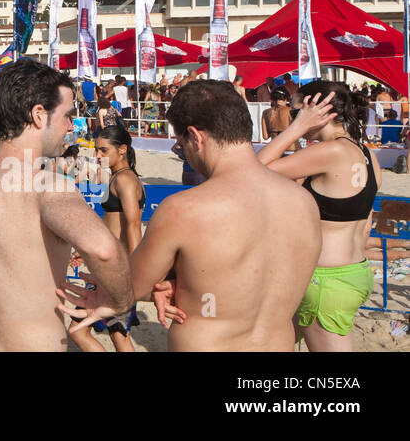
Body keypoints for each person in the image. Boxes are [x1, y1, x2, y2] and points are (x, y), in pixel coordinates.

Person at [0, 60, 130, 350]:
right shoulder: (46, 185)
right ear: (39, 115)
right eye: (66, 115)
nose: (70, 126)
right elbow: (105, 250)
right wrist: (120, 301)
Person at [116, 80, 321, 351]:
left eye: (181, 146)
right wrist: (183, 282)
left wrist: (170, 284)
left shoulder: (183, 209)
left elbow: (135, 286)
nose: (185, 153)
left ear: (196, 136)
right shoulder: (305, 202)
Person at [257, 82, 379, 351]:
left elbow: (253, 170)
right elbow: (367, 223)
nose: (292, 115)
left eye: (297, 109)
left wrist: (297, 129)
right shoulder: (366, 153)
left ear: (317, 110)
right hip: (353, 271)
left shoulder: (329, 152)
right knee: (269, 342)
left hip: (326, 280)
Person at [69, 124, 145, 352]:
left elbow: (133, 226)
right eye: (96, 150)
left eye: (103, 150)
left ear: (122, 149)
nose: (97, 156)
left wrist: (134, 271)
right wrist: (87, 248)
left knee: (83, 331)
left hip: (117, 270)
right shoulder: (118, 177)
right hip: (110, 267)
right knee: (116, 333)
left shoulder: (125, 180)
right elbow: (113, 223)